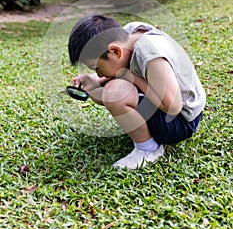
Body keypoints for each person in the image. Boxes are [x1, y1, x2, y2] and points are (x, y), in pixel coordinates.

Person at [68, 14, 206, 170]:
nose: (99, 74)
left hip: (180, 121)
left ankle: (148, 150)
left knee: (115, 93)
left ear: (115, 51)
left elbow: (173, 106)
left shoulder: (150, 53)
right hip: (175, 107)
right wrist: (93, 81)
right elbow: (122, 68)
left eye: (97, 68)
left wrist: (131, 77)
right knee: (110, 89)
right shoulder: (128, 35)